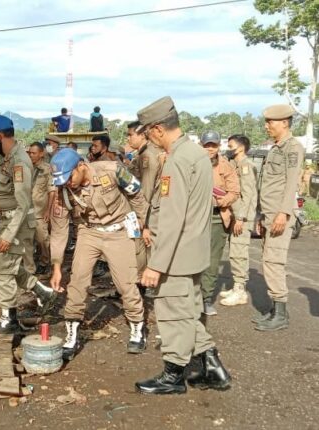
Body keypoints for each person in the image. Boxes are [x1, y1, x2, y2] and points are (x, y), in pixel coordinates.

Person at [136, 96, 230, 394]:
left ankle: (173, 376)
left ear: (158, 129)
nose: (148, 137)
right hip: (193, 251)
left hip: (175, 255)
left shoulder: (177, 160)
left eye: (148, 132)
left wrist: (155, 264)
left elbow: (173, 217)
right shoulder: (196, 154)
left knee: (173, 315)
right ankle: (212, 367)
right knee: (188, 312)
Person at [49, 149, 148, 361]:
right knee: (77, 281)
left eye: (69, 177)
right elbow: (58, 230)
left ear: (81, 166)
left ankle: (137, 327)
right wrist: (56, 266)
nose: (67, 183)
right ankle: (72, 334)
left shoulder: (112, 170)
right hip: (89, 232)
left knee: (125, 283)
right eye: (62, 180)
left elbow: (137, 194)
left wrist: (142, 222)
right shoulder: (62, 191)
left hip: (119, 230)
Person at [0, 114, 57, 333]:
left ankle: (9, 319)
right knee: (10, 267)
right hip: (10, 221)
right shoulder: (7, 158)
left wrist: (8, 235)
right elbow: (0, 189)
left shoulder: (19, 162)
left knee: (0, 272)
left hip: (18, 223)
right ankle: (42, 292)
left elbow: (24, 204)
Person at [252, 104, 305, 331]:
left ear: (284, 123)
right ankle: (276, 310)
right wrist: (260, 214)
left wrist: (283, 213)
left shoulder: (292, 148)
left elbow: (291, 182)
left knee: (274, 262)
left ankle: (281, 314)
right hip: (269, 213)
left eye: (270, 122)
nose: (267, 126)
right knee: (268, 260)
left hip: (279, 214)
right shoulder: (275, 148)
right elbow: (268, 185)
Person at [199, 131, 240, 316]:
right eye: (207, 145)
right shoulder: (192, 163)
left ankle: (206, 299)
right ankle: (190, 298)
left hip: (217, 217)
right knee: (191, 257)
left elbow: (234, 192)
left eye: (213, 145)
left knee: (212, 261)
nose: (210, 149)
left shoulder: (226, 166)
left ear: (218, 146)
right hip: (194, 217)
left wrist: (220, 201)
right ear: (201, 145)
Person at [220, 134, 257, 306]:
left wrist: (241, 217)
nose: (228, 149)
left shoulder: (246, 166)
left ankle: (240, 290)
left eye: (231, 146)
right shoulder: (234, 164)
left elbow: (248, 195)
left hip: (242, 217)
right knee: (234, 252)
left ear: (241, 147)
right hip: (236, 215)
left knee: (238, 253)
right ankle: (236, 286)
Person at [127, 121, 165, 284]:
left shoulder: (147, 156)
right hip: (140, 210)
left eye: (130, 135)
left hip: (144, 212)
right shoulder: (141, 154)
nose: (128, 138)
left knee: (141, 247)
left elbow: (146, 191)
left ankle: (142, 283)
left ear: (142, 135)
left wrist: (144, 221)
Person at [27, 142, 53, 274]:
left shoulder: (47, 169)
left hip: (40, 212)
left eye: (34, 153)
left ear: (41, 154)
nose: (31, 155)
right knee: (27, 240)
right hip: (26, 211)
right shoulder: (26, 168)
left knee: (42, 239)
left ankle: (45, 261)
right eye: (29, 153)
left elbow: (51, 191)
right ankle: (30, 264)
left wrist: (48, 210)